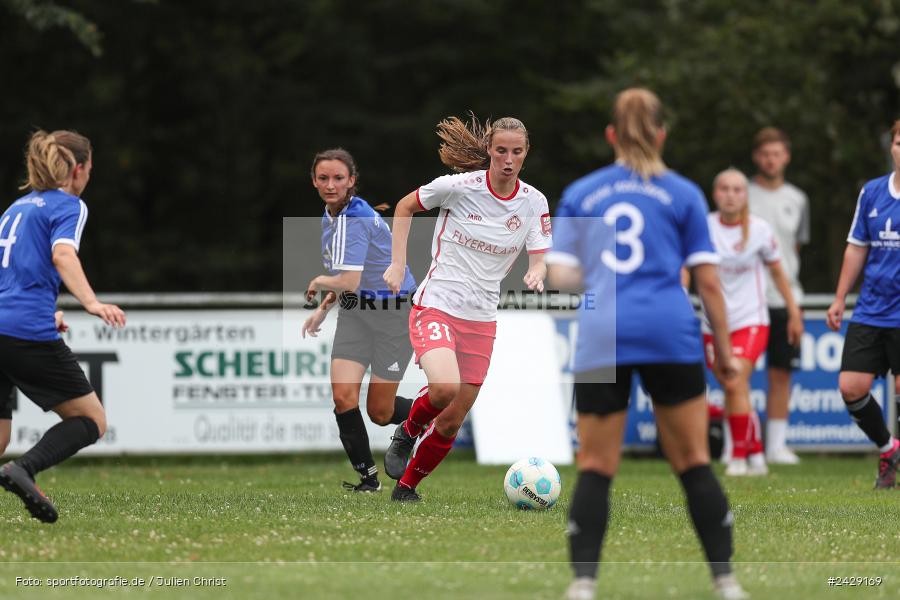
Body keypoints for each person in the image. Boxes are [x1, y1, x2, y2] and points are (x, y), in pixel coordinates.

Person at [546, 89, 747, 600]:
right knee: (694, 461)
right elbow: (708, 283)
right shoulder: (683, 194)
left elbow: (562, 275)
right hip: (668, 330)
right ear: (661, 134)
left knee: (595, 466)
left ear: (611, 135)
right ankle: (726, 583)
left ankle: (583, 586)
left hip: (600, 332)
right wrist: (724, 353)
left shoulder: (582, 192)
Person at [381, 115, 551, 502]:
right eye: (502, 150)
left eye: (517, 152)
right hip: (437, 302)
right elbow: (405, 207)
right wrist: (397, 263)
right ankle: (407, 431)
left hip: (481, 317)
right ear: (489, 150)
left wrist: (537, 271)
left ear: (526, 154)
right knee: (443, 389)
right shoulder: (457, 187)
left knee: (451, 419)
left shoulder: (533, 201)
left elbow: (539, 254)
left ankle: (406, 489)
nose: (508, 159)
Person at [0, 129, 126, 523]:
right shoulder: (69, 205)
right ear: (79, 168)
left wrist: (47, 308)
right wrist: (90, 302)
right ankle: (23, 469)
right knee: (91, 421)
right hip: (23, 331)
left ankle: (15, 465)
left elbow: (14, 272)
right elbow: (62, 255)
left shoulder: (15, 209)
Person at [303, 148, 418, 493]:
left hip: (393, 313)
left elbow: (346, 279)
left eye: (338, 178)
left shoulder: (354, 218)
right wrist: (323, 308)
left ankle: (431, 414)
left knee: (380, 412)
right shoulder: (331, 215)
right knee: (342, 396)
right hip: (356, 311)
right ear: (314, 181)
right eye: (323, 178)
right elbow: (350, 277)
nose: (330, 184)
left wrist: (318, 282)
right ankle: (369, 479)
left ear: (351, 181)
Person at [701, 168, 804, 477]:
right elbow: (686, 269)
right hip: (713, 322)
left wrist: (794, 311)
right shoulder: (703, 228)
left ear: (745, 195)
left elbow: (777, 272)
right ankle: (756, 449)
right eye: (724, 189)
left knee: (734, 380)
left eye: (736, 189)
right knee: (733, 386)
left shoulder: (760, 229)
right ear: (715, 193)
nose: (730, 195)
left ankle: (739, 456)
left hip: (751, 319)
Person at [826, 119, 900, 489]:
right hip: (872, 309)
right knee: (851, 386)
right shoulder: (872, 193)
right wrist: (840, 297)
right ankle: (889, 448)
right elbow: (857, 246)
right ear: (892, 147)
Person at [748, 127, 811, 464]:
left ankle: (776, 446)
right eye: (765, 154)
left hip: (786, 298)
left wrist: (791, 301)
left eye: (777, 154)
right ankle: (741, 445)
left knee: (781, 372)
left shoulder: (798, 199)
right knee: (738, 373)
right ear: (757, 157)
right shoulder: (741, 192)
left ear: (786, 156)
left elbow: (793, 250)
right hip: (746, 299)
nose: (771, 160)